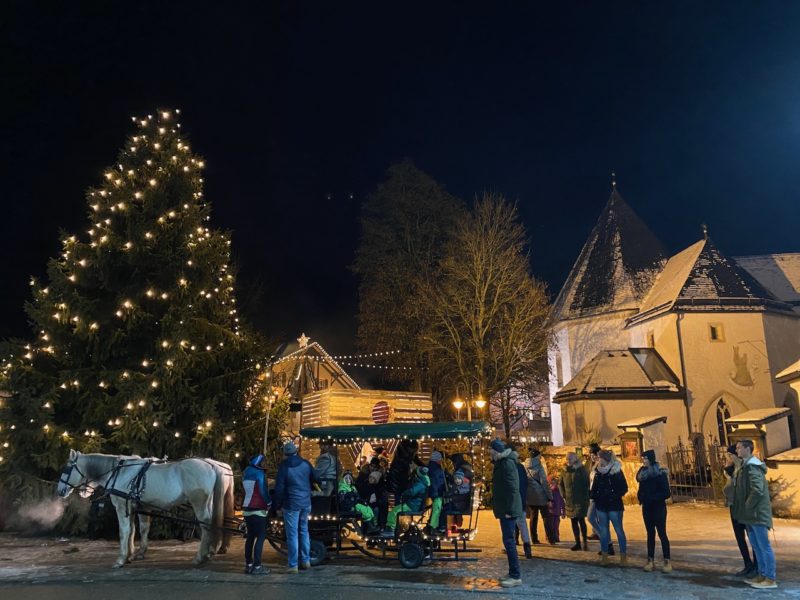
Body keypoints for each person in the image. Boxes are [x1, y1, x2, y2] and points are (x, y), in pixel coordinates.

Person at [733, 439, 777, 589]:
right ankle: (762, 574)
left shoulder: (753, 467)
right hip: (750, 514)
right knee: (756, 546)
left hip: (756, 513)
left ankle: (770, 578)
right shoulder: (745, 466)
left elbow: (757, 490)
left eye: (739, 447)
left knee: (764, 546)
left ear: (747, 448)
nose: (737, 450)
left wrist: (747, 506)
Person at [274, 441, 318, 574]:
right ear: (296, 451)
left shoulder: (284, 467)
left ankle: (293, 565)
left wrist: (277, 505)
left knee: (292, 534)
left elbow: (280, 488)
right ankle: (306, 560)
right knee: (304, 531)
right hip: (306, 503)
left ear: (285, 454)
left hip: (291, 504)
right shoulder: (306, 463)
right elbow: (316, 478)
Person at [490, 439, 523, 588]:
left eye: (490, 450)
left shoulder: (506, 463)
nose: (489, 452)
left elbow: (512, 487)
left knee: (510, 542)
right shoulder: (502, 462)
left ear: (496, 450)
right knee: (508, 541)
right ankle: (512, 573)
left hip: (508, 510)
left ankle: (515, 576)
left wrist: (509, 510)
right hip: (505, 508)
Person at [723, 444, 757, 577]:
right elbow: (728, 490)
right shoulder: (728, 470)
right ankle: (747, 564)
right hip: (734, 507)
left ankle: (756, 565)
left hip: (744, 508)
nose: (727, 459)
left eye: (729, 456)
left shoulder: (744, 469)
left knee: (752, 537)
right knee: (739, 537)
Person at [636, 449, 672, 573]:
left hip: (658, 508)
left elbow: (666, 493)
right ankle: (650, 560)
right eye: (642, 459)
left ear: (651, 459)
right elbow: (641, 489)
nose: (643, 461)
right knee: (650, 534)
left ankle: (667, 560)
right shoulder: (643, 474)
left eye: (645, 459)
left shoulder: (659, 474)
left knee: (662, 534)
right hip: (647, 508)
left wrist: (653, 498)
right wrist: (640, 497)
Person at [590, 448, 628, 565]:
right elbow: (594, 488)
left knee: (618, 529)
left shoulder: (616, 471)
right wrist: (593, 496)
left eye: (600, 458)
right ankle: (605, 556)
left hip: (614, 505)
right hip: (601, 504)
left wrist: (613, 495)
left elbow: (623, 488)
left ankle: (623, 557)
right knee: (604, 531)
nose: (598, 460)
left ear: (605, 459)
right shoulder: (598, 471)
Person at [242, 454, 272, 575]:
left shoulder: (246, 472)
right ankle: (258, 566)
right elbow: (263, 490)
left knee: (250, 537)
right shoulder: (259, 474)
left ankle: (249, 564)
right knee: (260, 536)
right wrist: (269, 502)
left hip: (247, 507)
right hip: (258, 508)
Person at [383, 464, 430, 535]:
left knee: (394, 511)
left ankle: (390, 530)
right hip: (414, 503)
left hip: (413, 505)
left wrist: (404, 493)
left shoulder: (420, 484)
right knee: (396, 509)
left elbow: (411, 492)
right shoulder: (423, 482)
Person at [559, 451, 590, 552]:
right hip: (569, 500)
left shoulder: (581, 469)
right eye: (567, 459)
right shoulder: (564, 471)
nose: (568, 461)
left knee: (581, 520)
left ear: (575, 459)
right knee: (573, 522)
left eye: (570, 459)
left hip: (580, 500)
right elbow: (560, 484)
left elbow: (586, 484)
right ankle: (577, 542)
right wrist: (563, 494)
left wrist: (586, 497)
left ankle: (584, 541)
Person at [525, 448, 552, 544]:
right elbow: (544, 482)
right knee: (546, 516)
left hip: (530, 495)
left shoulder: (525, 465)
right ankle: (550, 538)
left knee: (533, 516)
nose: (541, 457)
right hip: (540, 495)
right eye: (539, 456)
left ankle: (534, 538)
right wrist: (550, 496)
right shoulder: (539, 466)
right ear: (537, 456)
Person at [386, 439, 423, 503]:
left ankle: (399, 509)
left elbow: (415, 460)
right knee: (400, 494)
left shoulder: (402, 451)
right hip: (398, 476)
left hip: (400, 475)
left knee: (400, 495)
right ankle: (399, 509)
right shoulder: (403, 454)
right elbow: (412, 460)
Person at [356, 456, 388, 527]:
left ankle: (381, 525)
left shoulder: (380, 476)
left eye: (375, 467)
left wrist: (375, 495)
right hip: (364, 496)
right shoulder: (363, 473)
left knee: (382, 504)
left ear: (377, 467)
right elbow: (359, 486)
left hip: (376, 497)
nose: (372, 468)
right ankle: (369, 526)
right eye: (371, 466)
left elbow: (381, 488)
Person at [513, 449, 533, 558]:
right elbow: (525, 483)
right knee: (522, 524)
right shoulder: (520, 467)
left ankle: (511, 547)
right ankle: (527, 547)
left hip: (514, 500)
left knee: (512, 524)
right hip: (521, 499)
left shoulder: (511, 468)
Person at [427, 451, 448, 532]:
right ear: (437, 459)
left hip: (433, 492)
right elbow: (440, 482)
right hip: (437, 493)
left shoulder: (431, 467)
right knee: (437, 509)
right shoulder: (437, 470)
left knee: (436, 509)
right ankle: (433, 527)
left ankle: (433, 525)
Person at [547, 474, 565, 543]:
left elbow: (562, 503)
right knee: (551, 526)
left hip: (557, 513)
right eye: (552, 483)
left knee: (556, 526)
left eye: (555, 483)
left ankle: (556, 537)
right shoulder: (549, 492)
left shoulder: (558, 492)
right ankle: (551, 537)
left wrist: (563, 512)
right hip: (551, 512)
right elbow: (547, 502)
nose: (554, 485)